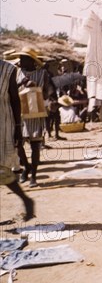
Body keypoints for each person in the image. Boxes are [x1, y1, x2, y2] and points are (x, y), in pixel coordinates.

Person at [14, 47, 55, 187]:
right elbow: (12, 90)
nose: (20, 60)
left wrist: (35, 86)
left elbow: (47, 93)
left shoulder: (42, 73)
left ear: (31, 61)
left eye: (23, 58)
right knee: (18, 145)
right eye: (20, 57)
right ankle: (26, 166)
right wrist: (22, 83)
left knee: (35, 146)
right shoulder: (17, 72)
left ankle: (34, 176)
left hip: (36, 113)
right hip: (20, 114)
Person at [0, 60, 35, 220]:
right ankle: (26, 200)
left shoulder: (8, 69)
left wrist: (18, 128)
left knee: (2, 168)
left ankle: (26, 200)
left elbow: (15, 100)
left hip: (3, 124)